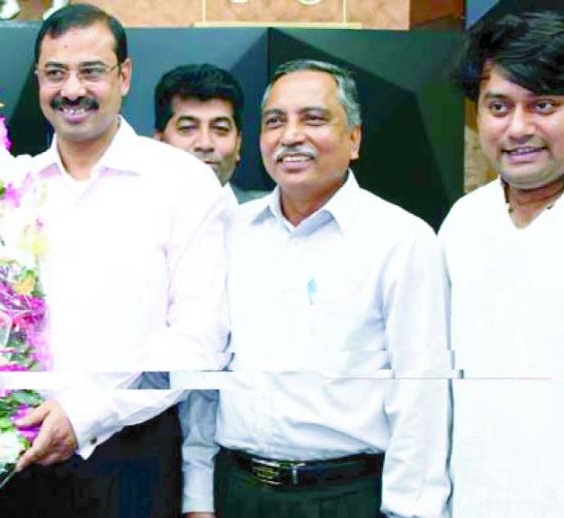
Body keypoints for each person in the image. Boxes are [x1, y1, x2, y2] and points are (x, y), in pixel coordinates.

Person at [0, 5, 229, 517]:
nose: (72, 90)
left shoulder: (182, 183)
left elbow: (199, 339)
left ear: (125, 76)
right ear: (38, 80)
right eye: (55, 73)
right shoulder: (8, 188)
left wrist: (85, 411)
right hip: (14, 457)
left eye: (91, 71)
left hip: (132, 457)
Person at [183, 59, 451, 518]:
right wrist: (198, 497)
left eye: (313, 119)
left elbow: (421, 394)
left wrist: (411, 512)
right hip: (240, 491)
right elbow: (207, 378)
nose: (290, 137)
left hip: (347, 496)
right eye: (275, 122)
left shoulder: (401, 240)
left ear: (355, 139)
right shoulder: (229, 232)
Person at [441, 10, 564, 516]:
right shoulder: (463, 223)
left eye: (543, 105)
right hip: (474, 497)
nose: (518, 128)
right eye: (498, 106)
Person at [154, 63, 262, 204]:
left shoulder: (263, 222)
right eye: (188, 128)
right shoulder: (127, 218)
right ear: (159, 142)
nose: (205, 144)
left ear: (238, 144)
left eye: (220, 128)